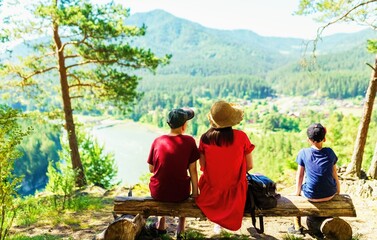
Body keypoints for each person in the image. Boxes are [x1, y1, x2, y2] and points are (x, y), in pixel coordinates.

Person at [195, 100, 255, 232]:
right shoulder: (241, 137)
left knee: (209, 180)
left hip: (210, 192)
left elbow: (203, 166)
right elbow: (249, 165)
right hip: (235, 192)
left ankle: (217, 220)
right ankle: (225, 219)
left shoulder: (205, 138)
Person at [289, 123, 352, 239]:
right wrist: (338, 189)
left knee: (299, 193)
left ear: (309, 140)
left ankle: (297, 227)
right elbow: (334, 174)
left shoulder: (303, 152)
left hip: (311, 195)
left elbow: (300, 175)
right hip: (329, 194)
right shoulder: (330, 152)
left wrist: (297, 193)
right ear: (324, 139)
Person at [147, 108, 200, 239]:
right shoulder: (189, 141)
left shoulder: (157, 141)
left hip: (158, 192)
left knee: (162, 181)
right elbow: (193, 170)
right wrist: (195, 193)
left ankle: (161, 224)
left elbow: (151, 169)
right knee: (181, 181)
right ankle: (181, 229)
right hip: (180, 193)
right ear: (184, 126)